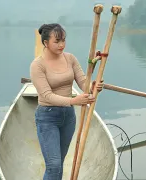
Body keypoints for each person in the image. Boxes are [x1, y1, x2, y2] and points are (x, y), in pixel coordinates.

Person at [30, 23, 103, 180]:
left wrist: (93, 86)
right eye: (57, 41)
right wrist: (74, 100)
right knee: (53, 166)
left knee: (60, 163)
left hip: (68, 117)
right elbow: (47, 95)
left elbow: (83, 82)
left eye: (63, 40)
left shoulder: (70, 58)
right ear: (45, 43)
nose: (61, 45)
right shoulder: (37, 65)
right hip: (47, 117)